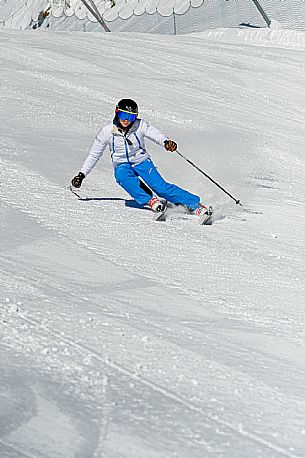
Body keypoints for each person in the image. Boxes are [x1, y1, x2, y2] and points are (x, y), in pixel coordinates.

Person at [71, 99, 208, 216]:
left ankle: (195, 205)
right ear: (117, 113)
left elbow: (154, 133)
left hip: (141, 161)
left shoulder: (139, 125)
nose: (126, 120)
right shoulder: (107, 131)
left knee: (160, 187)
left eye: (130, 117)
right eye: (123, 115)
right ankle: (150, 200)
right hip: (122, 164)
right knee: (122, 175)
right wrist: (81, 174)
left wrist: (166, 142)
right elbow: (94, 154)